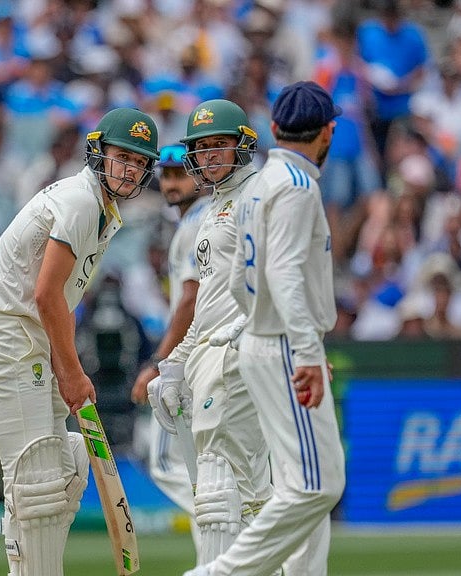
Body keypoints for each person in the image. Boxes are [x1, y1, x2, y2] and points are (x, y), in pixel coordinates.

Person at [0, 107, 160, 576]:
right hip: (6, 331)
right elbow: (46, 295)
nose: (128, 169)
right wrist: (71, 371)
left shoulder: (102, 210)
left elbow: (60, 301)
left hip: (27, 335)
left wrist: (67, 367)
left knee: (62, 470)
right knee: (38, 477)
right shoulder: (81, 201)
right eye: (121, 156)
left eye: (138, 161)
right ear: (99, 154)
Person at [185, 81, 347, 576]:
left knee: (300, 485)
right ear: (329, 132)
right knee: (315, 486)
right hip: (282, 345)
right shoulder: (296, 187)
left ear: (274, 130)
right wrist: (305, 353)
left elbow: (239, 280)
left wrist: (253, 328)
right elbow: (283, 274)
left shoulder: (261, 186)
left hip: (260, 340)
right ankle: (221, 572)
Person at [148, 99, 273, 567]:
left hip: (238, 356)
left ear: (243, 146)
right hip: (213, 354)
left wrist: (244, 332)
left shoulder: (258, 195)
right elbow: (206, 303)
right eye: (201, 149)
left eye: (220, 145)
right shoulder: (216, 205)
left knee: (219, 482)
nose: (209, 156)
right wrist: (176, 362)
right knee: (253, 491)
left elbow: (278, 279)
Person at [130, 143, 208, 548]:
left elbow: (190, 301)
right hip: (210, 358)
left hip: (191, 362)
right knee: (207, 468)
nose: (172, 182)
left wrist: (158, 362)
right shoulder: (204, 220)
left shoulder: (194, 226)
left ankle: (229, 521)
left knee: (167, 463)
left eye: (181, 173)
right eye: (168, 174)